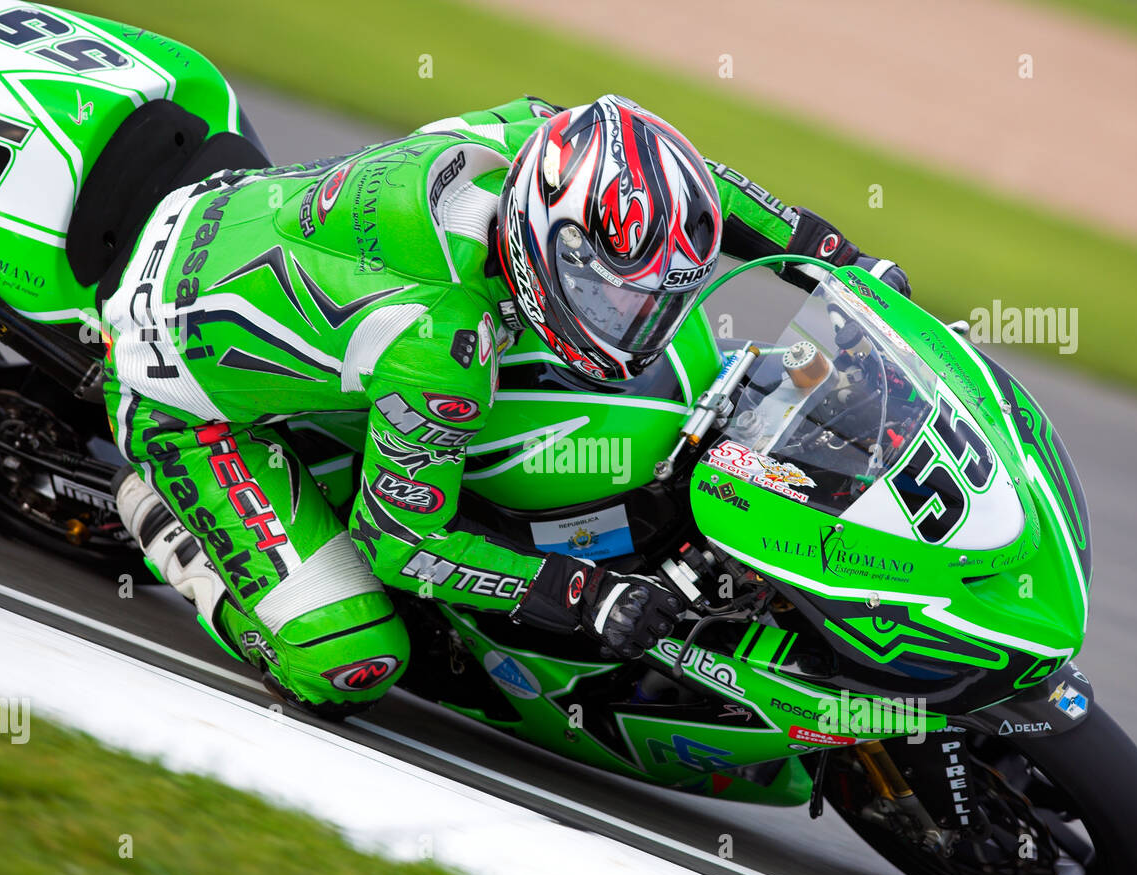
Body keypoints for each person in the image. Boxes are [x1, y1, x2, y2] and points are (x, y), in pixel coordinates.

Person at [102, 94, 909, 716]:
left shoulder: (539, 141)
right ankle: (167, 522)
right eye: (609, 296)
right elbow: (404, 544)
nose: (640, 325)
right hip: (181, 403)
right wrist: (587, 596)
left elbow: (705, 195)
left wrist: (838, 261)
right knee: (349, 662)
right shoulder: (439, 346)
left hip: (228, 211)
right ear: (543, 242)